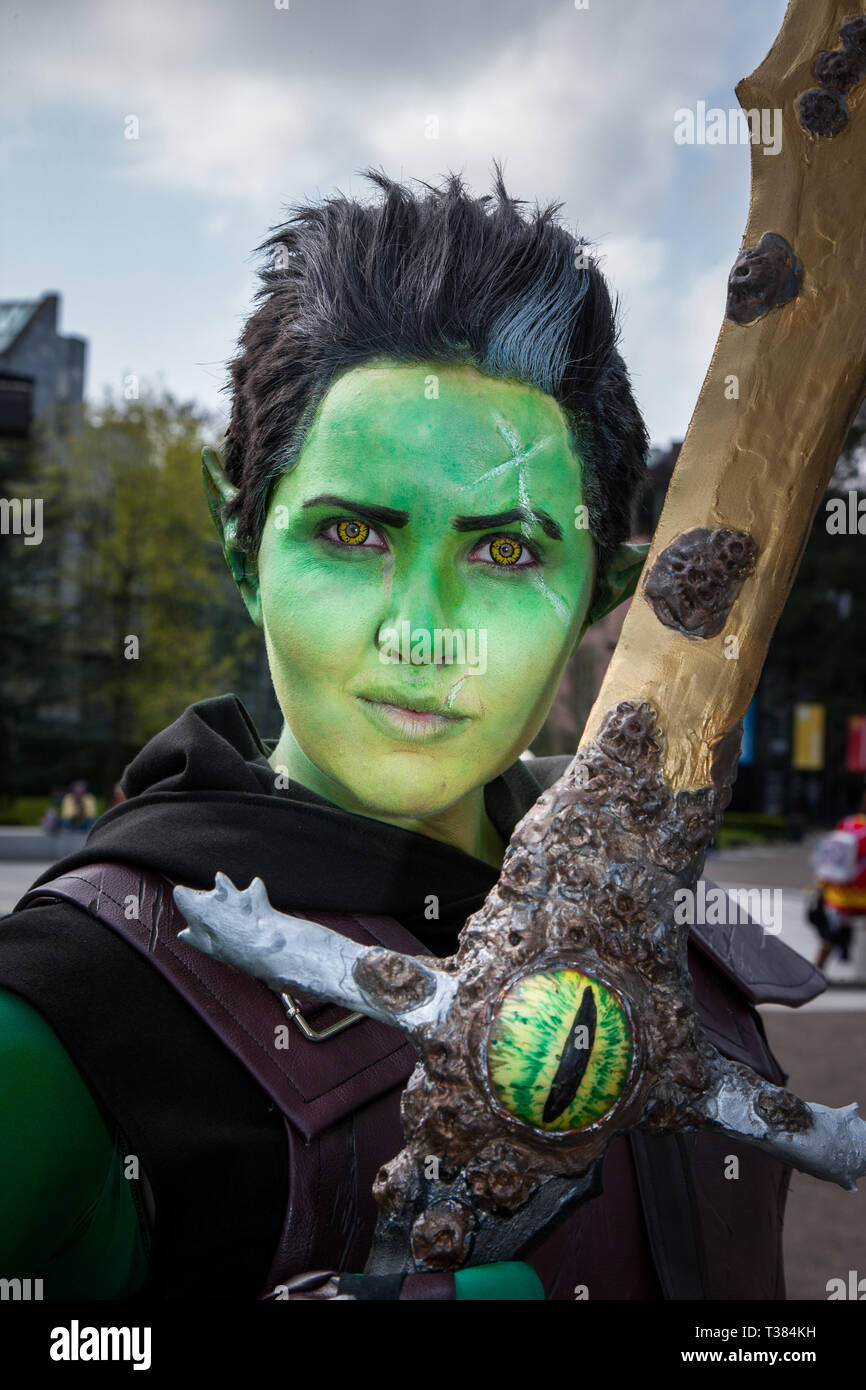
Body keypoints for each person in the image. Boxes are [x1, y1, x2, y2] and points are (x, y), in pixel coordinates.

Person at [0, 170, 822, 1300]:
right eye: (349, 532)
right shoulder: (68, 1013)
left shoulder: (667, 905)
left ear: (601, 595)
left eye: (505, 553)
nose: (425, 636)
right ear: (241, 544)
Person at [811, 790, 866, 970]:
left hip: (837, 896)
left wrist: (821, 886)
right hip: (861, 899)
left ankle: (817, 968)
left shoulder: (847, 824)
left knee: (829, 935)